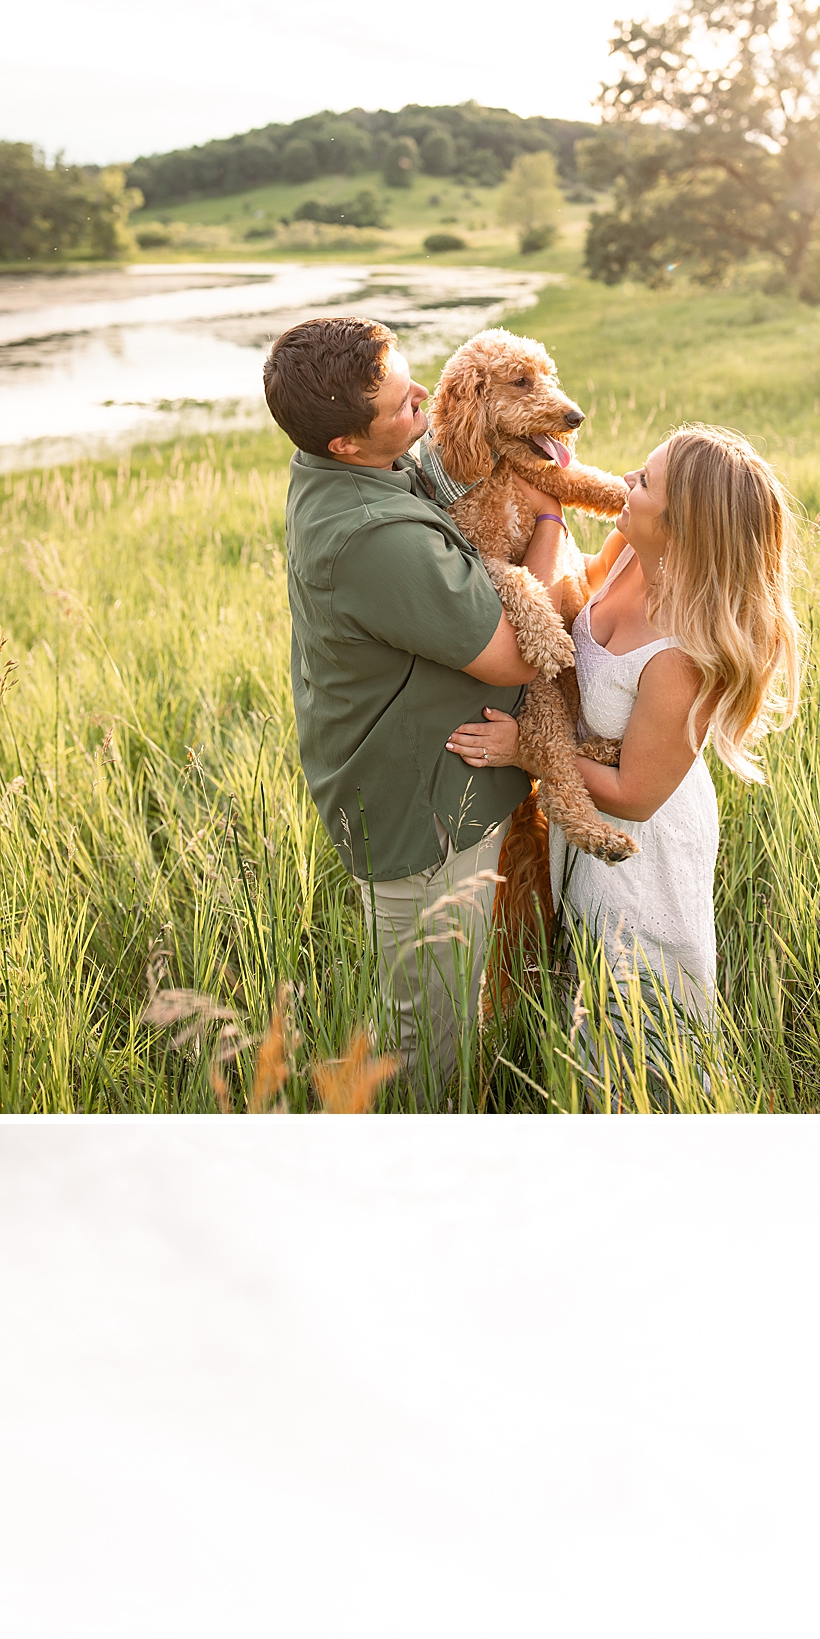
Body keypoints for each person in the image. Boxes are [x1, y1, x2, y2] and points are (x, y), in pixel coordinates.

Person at [454, 427, 802, 1106]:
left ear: (680, 526)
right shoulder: (631, 552)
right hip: (584, 806)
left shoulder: (681, 653)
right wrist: (543, 511)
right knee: (583, 980)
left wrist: (529, 750)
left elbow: (636, 795)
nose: (623, 483)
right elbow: (567, 588)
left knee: (635, 1005)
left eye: (642, 482)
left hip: (644, 838)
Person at [265, 304, 541, 1091]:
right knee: (434, 1037)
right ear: (346, 441)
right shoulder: (376, 540)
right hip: (425, 811)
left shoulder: (352, 469)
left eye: (406, 374)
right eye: (402, 402)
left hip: (431, 779)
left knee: (461, 996)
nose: (424, 393)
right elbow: (514, 655)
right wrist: (549, 516)